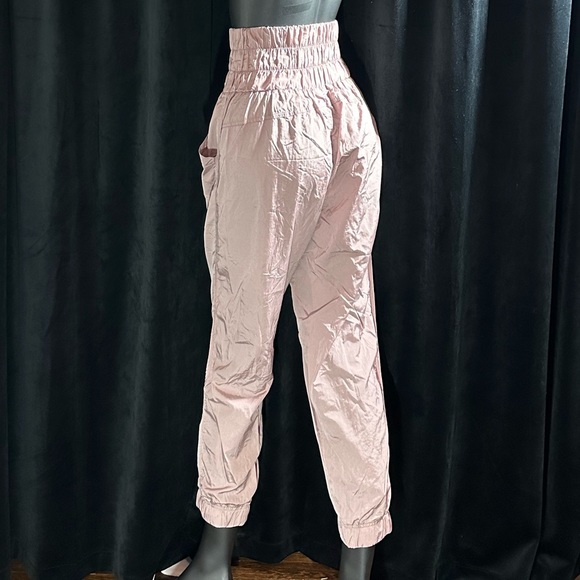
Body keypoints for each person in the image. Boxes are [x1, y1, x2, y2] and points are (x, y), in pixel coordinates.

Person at [156, 2, 391, 579]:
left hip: (266, 106)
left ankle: (215, 558)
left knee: (240, 351)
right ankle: (359, 565)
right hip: (341, 99)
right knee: (347, 350)